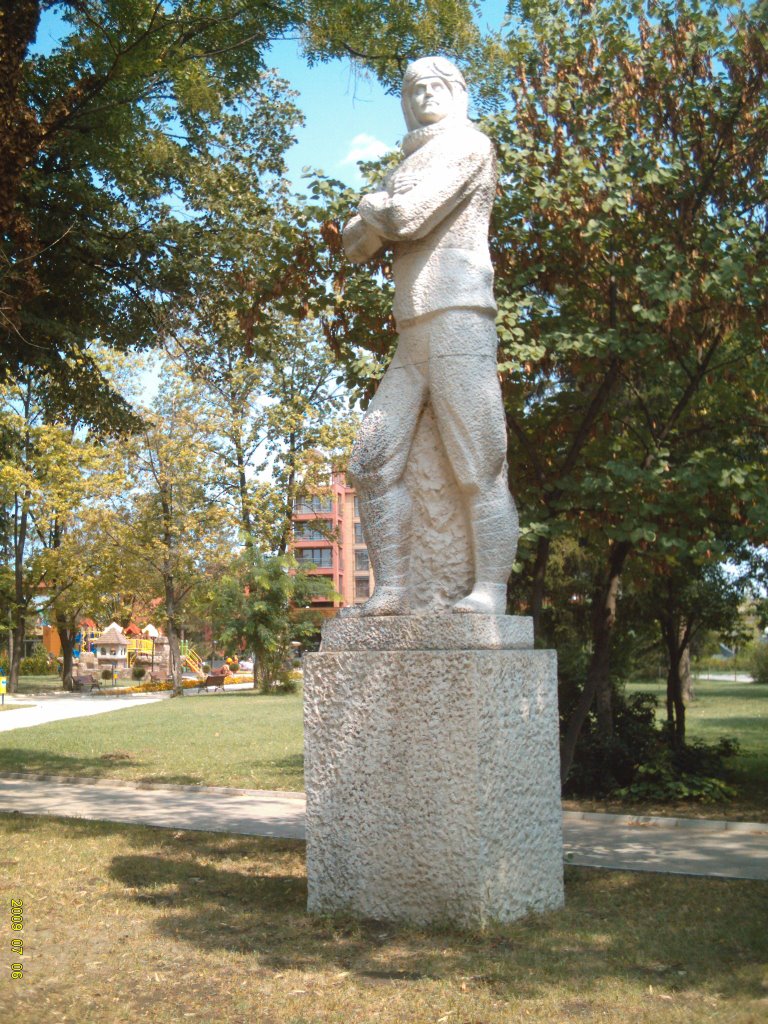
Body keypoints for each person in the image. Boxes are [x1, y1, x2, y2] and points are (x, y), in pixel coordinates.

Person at [342, 55, 518, 617]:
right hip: (413, 332)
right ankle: (393, 588)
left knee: (479, 462)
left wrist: (372, 205)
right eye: (414, 89)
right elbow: (353, 245)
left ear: (459, 92)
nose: (425, 97)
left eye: (436, 86)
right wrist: (380, 211)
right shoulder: (407, 165)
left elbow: (405, 220)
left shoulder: (469, 145)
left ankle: (490, 590)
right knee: (370, 461)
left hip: (460, 318)